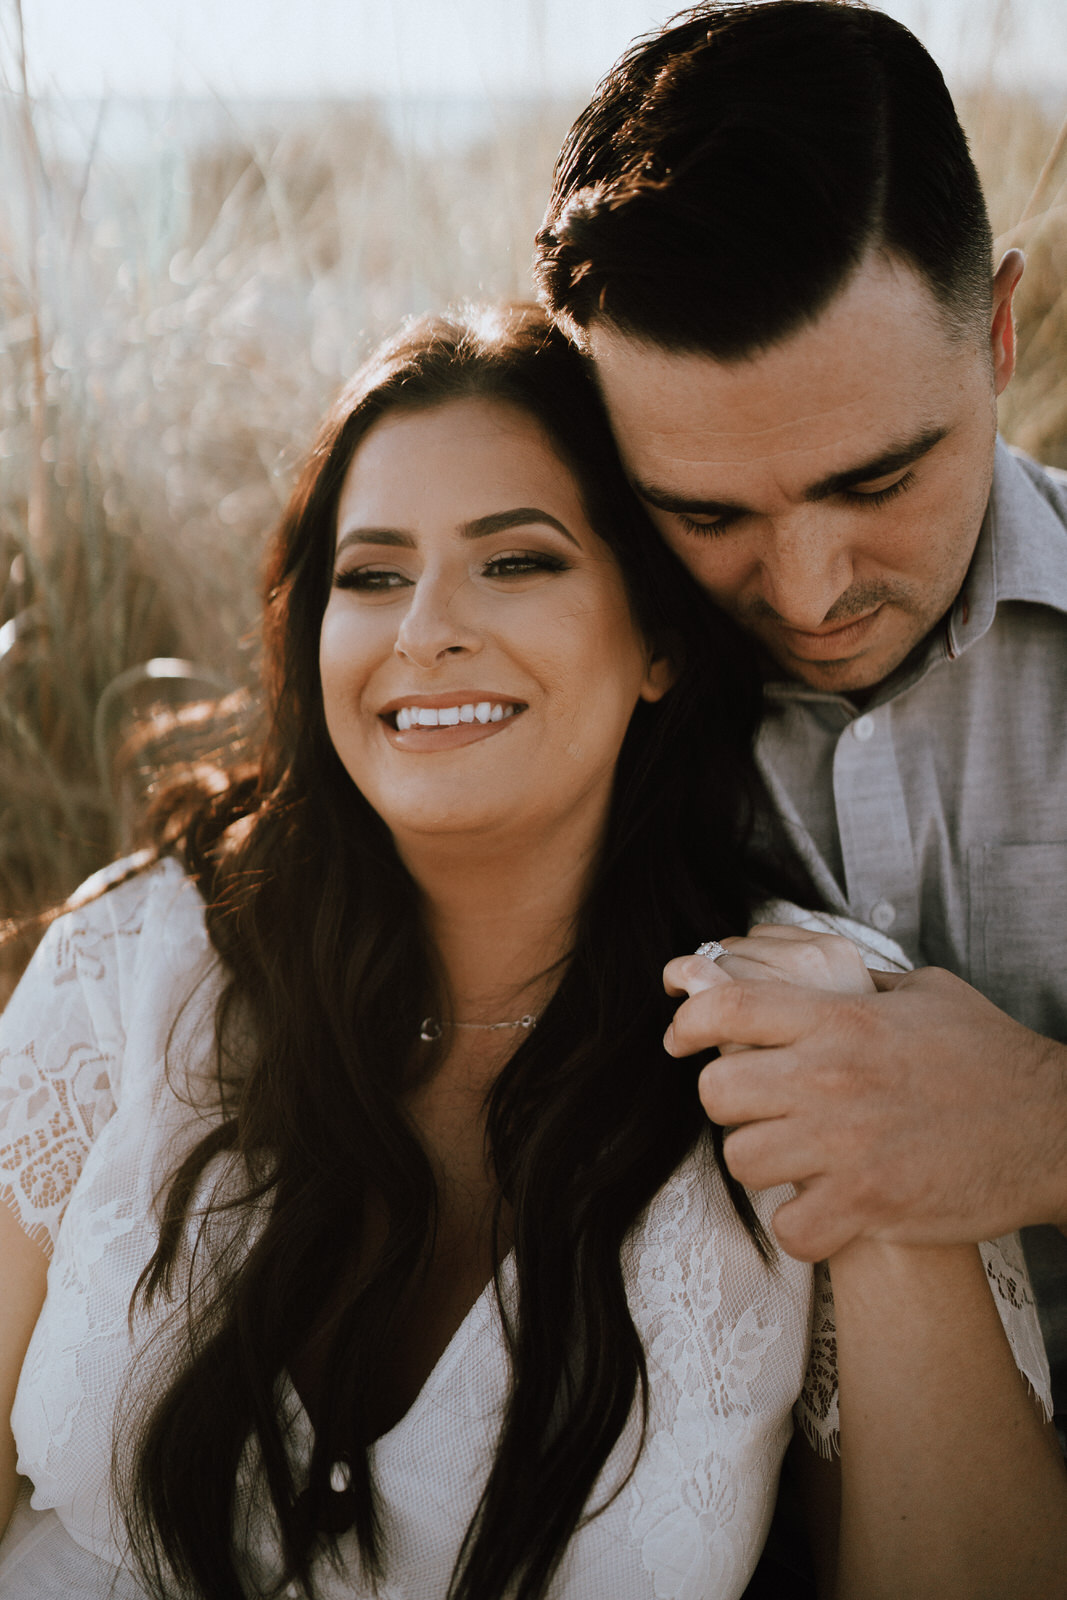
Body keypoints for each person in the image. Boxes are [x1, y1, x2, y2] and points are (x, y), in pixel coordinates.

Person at [0, 305, 1061, 1598]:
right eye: (372, 574)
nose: (425, 628)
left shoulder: (814, 1037)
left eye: (516, 562)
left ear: (660, 638)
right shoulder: (135, 962)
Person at [534, 0, 1067, 1420]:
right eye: (707, 513)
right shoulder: (538, 704)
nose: (812, 589)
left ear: (1001, 330)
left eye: (879, 481)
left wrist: (1046, 1127)